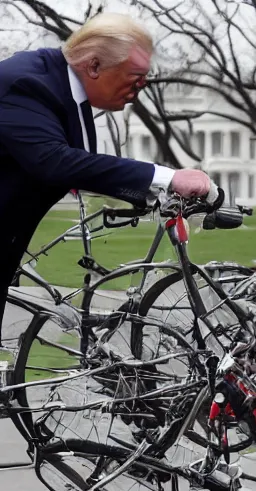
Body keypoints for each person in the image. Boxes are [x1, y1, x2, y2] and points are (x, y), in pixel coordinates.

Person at [0, 13, 212, 325]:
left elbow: (77, 170)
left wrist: (148, 196)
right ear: (95, 66)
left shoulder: (64, 89)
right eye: (135, 77)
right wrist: (168, 178)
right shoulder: (26, 84)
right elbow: (56, 163)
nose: (140, 88)